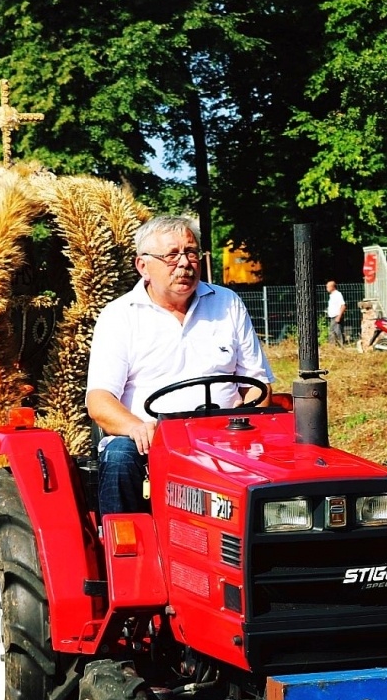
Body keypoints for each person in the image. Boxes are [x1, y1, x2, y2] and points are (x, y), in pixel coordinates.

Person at [85, 214, 272, 518]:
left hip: (223, 435)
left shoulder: (227, 303)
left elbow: (257, 384)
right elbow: (99, 400)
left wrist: (242, 422)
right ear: (143, 266)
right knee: (119, 457)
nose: (185, 263)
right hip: (151, 441)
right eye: (172, 255)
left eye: (191, 252)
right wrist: (136, 427)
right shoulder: (119, 315)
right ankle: (126, 543)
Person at [326, 280, 347, 347]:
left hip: (336, 317)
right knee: (332, 333)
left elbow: (343, 306)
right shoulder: (332, 295)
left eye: (328, 287)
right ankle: (333, 347)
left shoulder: (337, 294)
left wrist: (339, 316)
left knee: (338, 333)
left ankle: (341, 347)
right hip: (333, 317)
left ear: (333, 287)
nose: (327, 288)